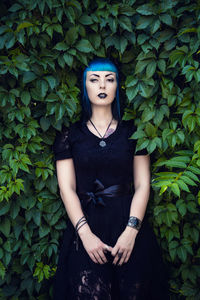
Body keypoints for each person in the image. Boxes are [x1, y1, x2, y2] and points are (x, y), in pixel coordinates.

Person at [53, 58, 169, 299]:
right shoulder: (70, 135)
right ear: (85, 87)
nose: (102, 86)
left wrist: (131, 231)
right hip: (86, 226)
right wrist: (85, 234)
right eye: (94, 80)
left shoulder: (133, 132)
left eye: (110, 80)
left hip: (127, 223)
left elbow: (142, 184)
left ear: (118, 86)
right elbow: (67, 189)